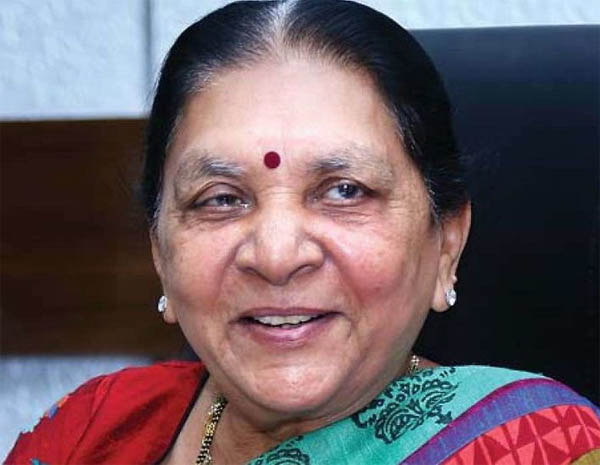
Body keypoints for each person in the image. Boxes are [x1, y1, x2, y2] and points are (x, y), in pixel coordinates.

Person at [5, 1, 600, 464]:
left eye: (344, 191)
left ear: (446, 241)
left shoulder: (535, 447)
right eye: (221, 199)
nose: (276, 255)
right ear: (160, 251)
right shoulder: (92, 431)